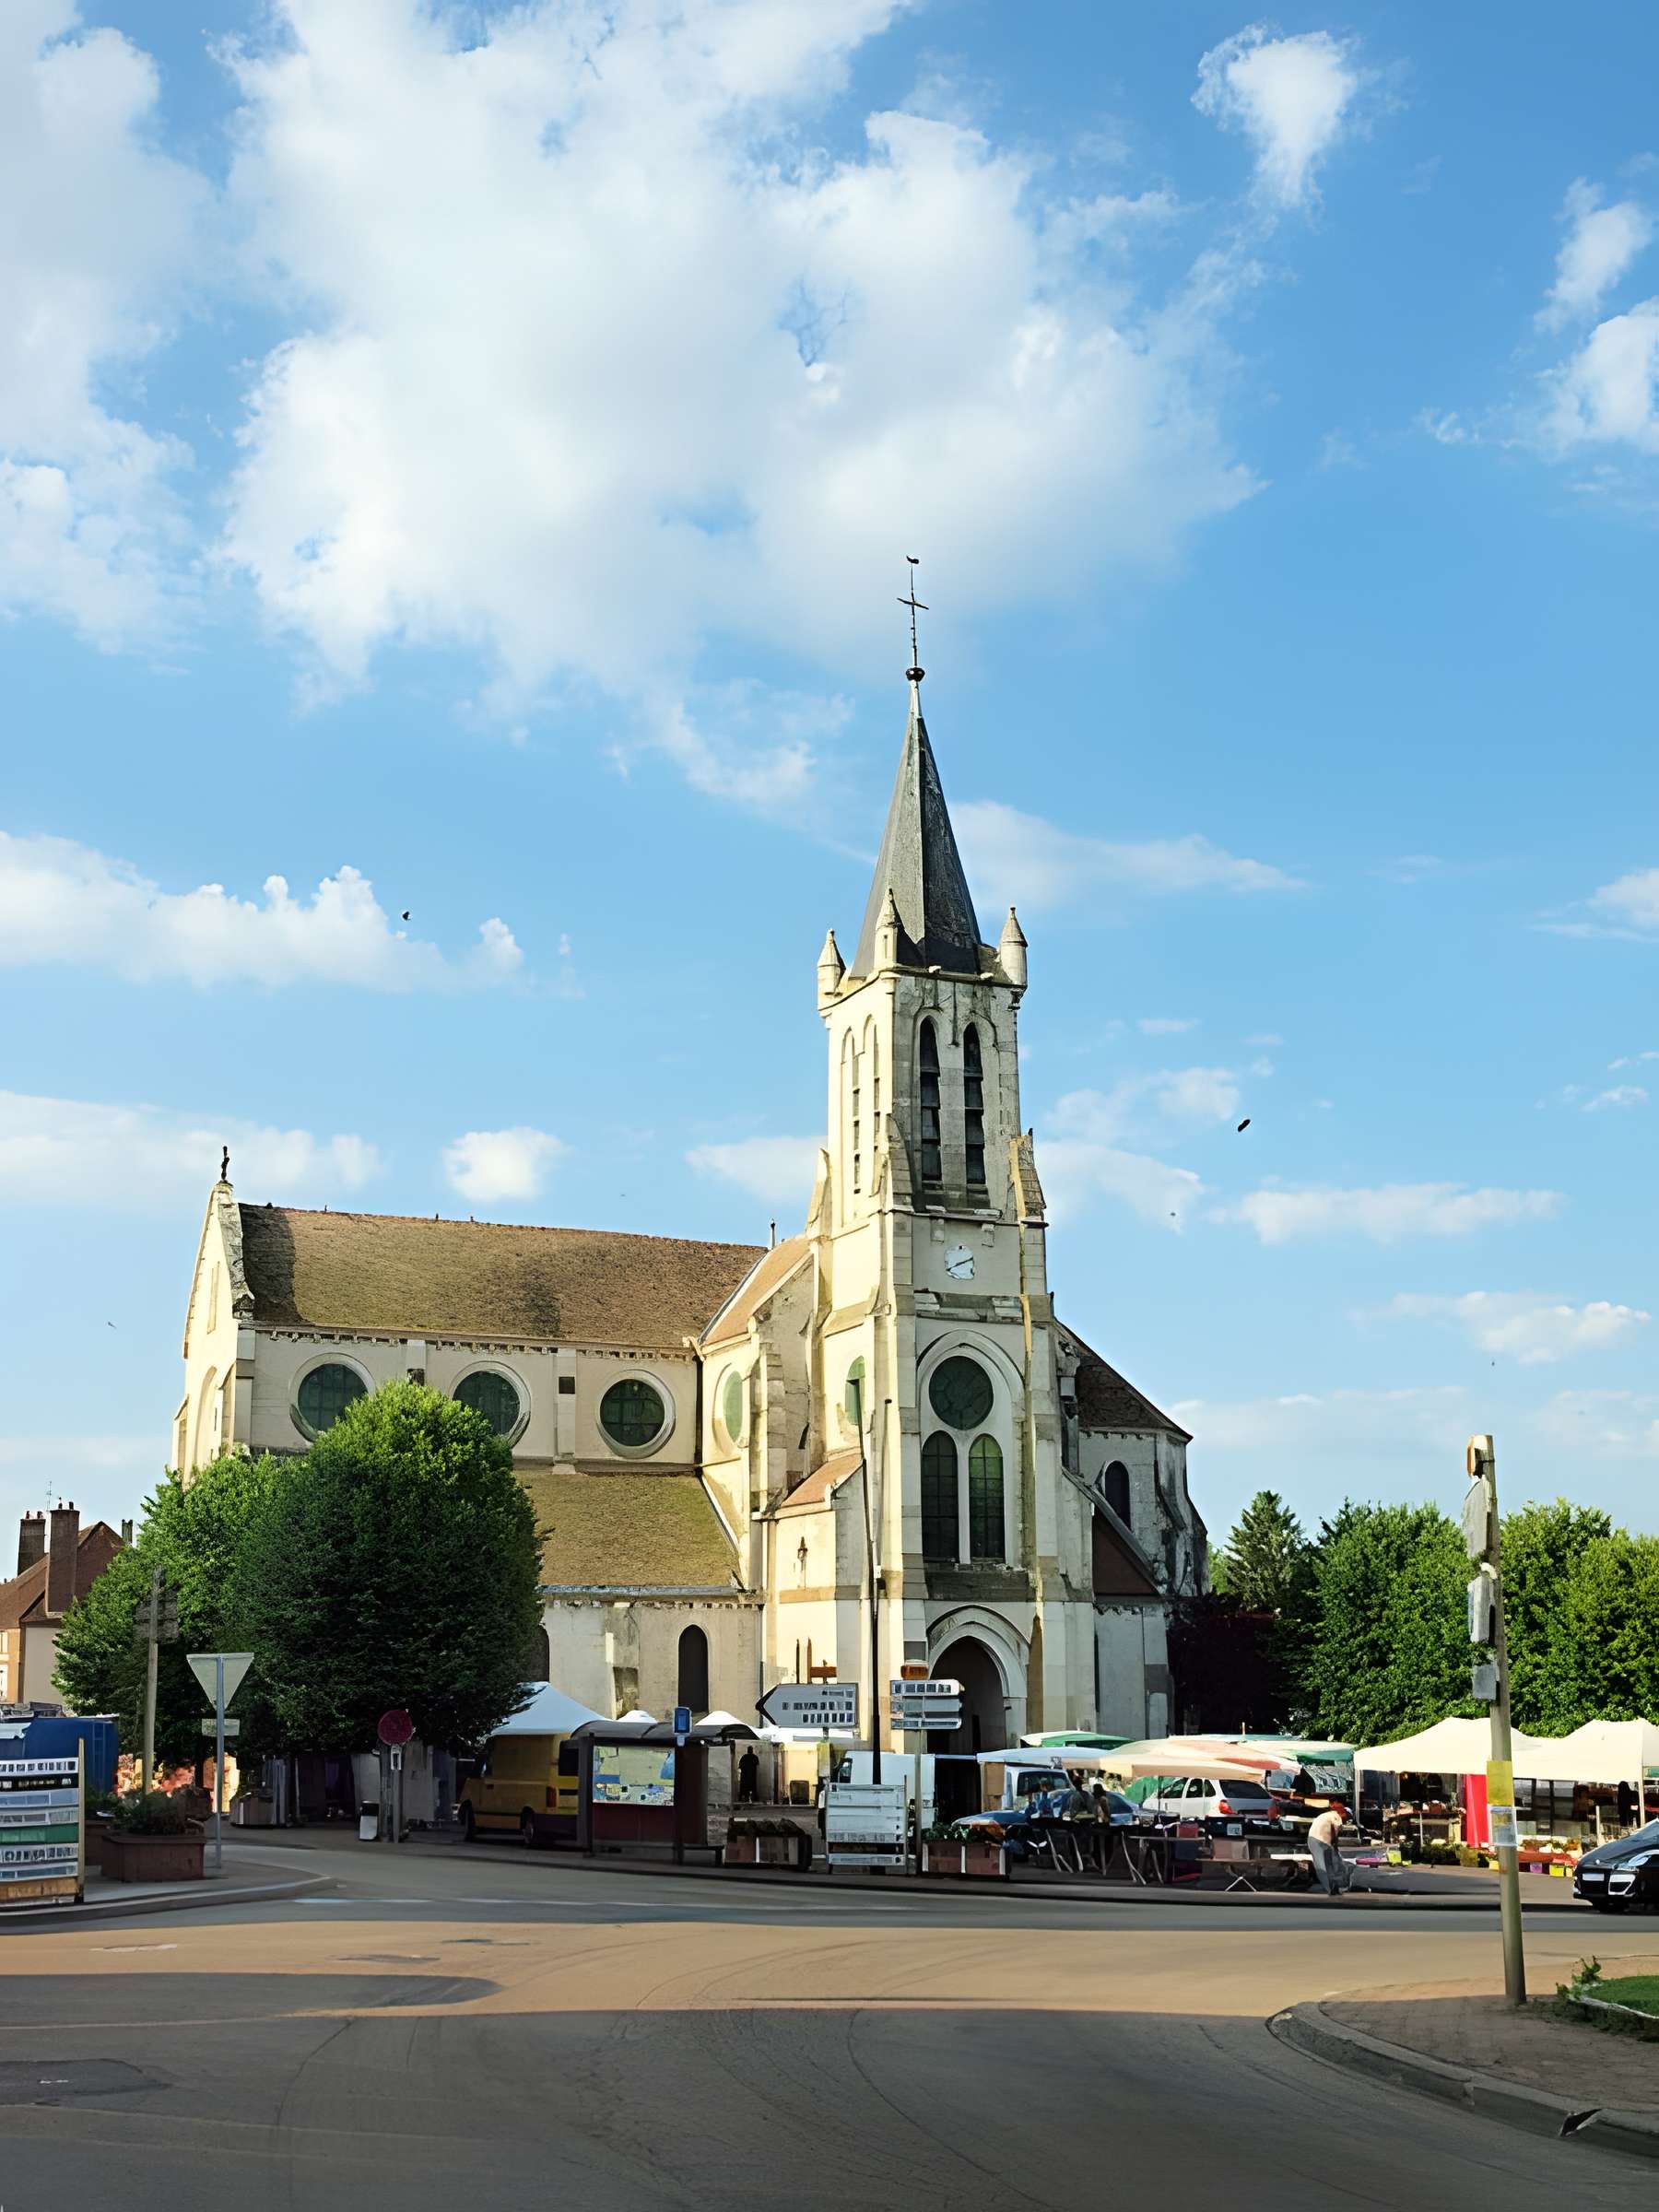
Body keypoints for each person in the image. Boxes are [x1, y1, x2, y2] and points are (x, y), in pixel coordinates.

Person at [1307, 1802, 1350, 1896]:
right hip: (1319, 1840)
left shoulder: (1326, 1815)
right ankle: (1330, 1888)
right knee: (1325, 1866)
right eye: (1347, 1817)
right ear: (1343, 1813)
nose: (1346, 1820)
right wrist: (1335, 1845)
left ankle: (1332, 1887)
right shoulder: (1337, 1817)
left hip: (1314, 1839)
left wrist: (1333, 1845)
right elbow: (1335, 1831)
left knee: (1325, 1865)